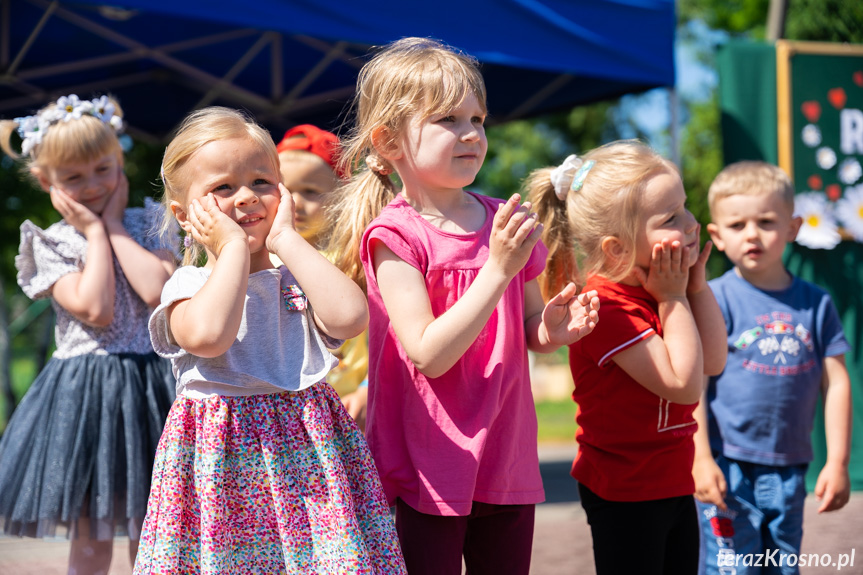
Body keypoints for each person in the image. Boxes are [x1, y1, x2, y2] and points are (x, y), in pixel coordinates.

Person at [325, 37, 600, 575]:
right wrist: (496, 270)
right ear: (388, 140)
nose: (472, 133)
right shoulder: (395, 236)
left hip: (506, 453)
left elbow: (523, 328)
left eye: (479, 119)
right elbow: (428, 353)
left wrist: (551, 329)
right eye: (449, 119)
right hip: (426, 463)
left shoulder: (505, 221)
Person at [134, 106, 406, 574]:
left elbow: (350, 317)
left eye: (262, 182)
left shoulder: (298, 272)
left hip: (309, 457)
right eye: (223, 187)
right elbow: (210, 336)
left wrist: (287, 241)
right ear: (184, 214)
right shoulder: (187, 285)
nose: (247, 198)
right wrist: (233, 248)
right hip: (223, 461)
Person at [527, 141, 728, 575]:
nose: (692, 223)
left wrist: (695, 287)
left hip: (672, 481)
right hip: (626, 490)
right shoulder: (607, 307)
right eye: (670, 218)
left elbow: (712, 361)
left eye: (686, 207)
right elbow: (683, 384)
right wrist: (675, 297)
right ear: (617, 249)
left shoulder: (661, 288)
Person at [0, 94, 178, 573]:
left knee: (156, 532)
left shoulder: (150, 223)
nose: (93, 185)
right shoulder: (50, 241)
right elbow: (96, 309)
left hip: (153, 388)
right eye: (74, 178)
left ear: (119, 160)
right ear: (47, 182)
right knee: (91, 537)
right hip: (85, 398)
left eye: (103, 169)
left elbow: (157, 291)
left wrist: (116, 226)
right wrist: (95, 234)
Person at [693, 161, 852, 575]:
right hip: (727, 467)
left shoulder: (816, 304)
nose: (751, 234)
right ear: (716, 236)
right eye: (737, 224)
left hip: (791, 468)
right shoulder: (714, 298)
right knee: (730, 569)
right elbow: (696, 380)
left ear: (793, 227)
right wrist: (700, 457)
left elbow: (836, 383)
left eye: (766, 221)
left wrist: (837, 462)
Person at [276, 124, 370, 429]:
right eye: (284, 190)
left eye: (310, 192)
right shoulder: (261, 262)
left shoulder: (353, 262)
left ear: (341, 197)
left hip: (346, 407)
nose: (294, 202)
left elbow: (388, 339)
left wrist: (367, 390)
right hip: (280, 413)